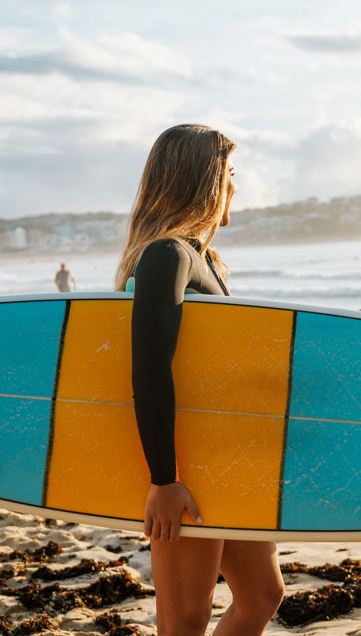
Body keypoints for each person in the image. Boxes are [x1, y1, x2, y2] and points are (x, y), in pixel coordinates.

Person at [113, 124, 284, 636]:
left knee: (261, 594)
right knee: (185, 620)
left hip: (222, 458)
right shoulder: (167, 255)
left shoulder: (203, 259)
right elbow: (149, 367)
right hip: (184, 466)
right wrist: (164, 480)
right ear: (203, 180)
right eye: (229, 173)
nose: (235, 185)